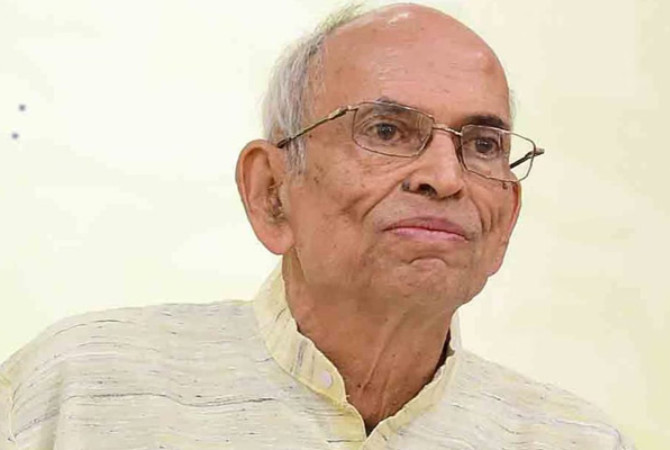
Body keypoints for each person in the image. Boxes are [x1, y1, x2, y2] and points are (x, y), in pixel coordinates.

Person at [0, 3, 634, 449]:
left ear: (507, 219)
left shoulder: (571, 439)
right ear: (271, 193)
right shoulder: (80, 393)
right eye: (386, 130)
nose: (446, 176)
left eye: (483, 145)